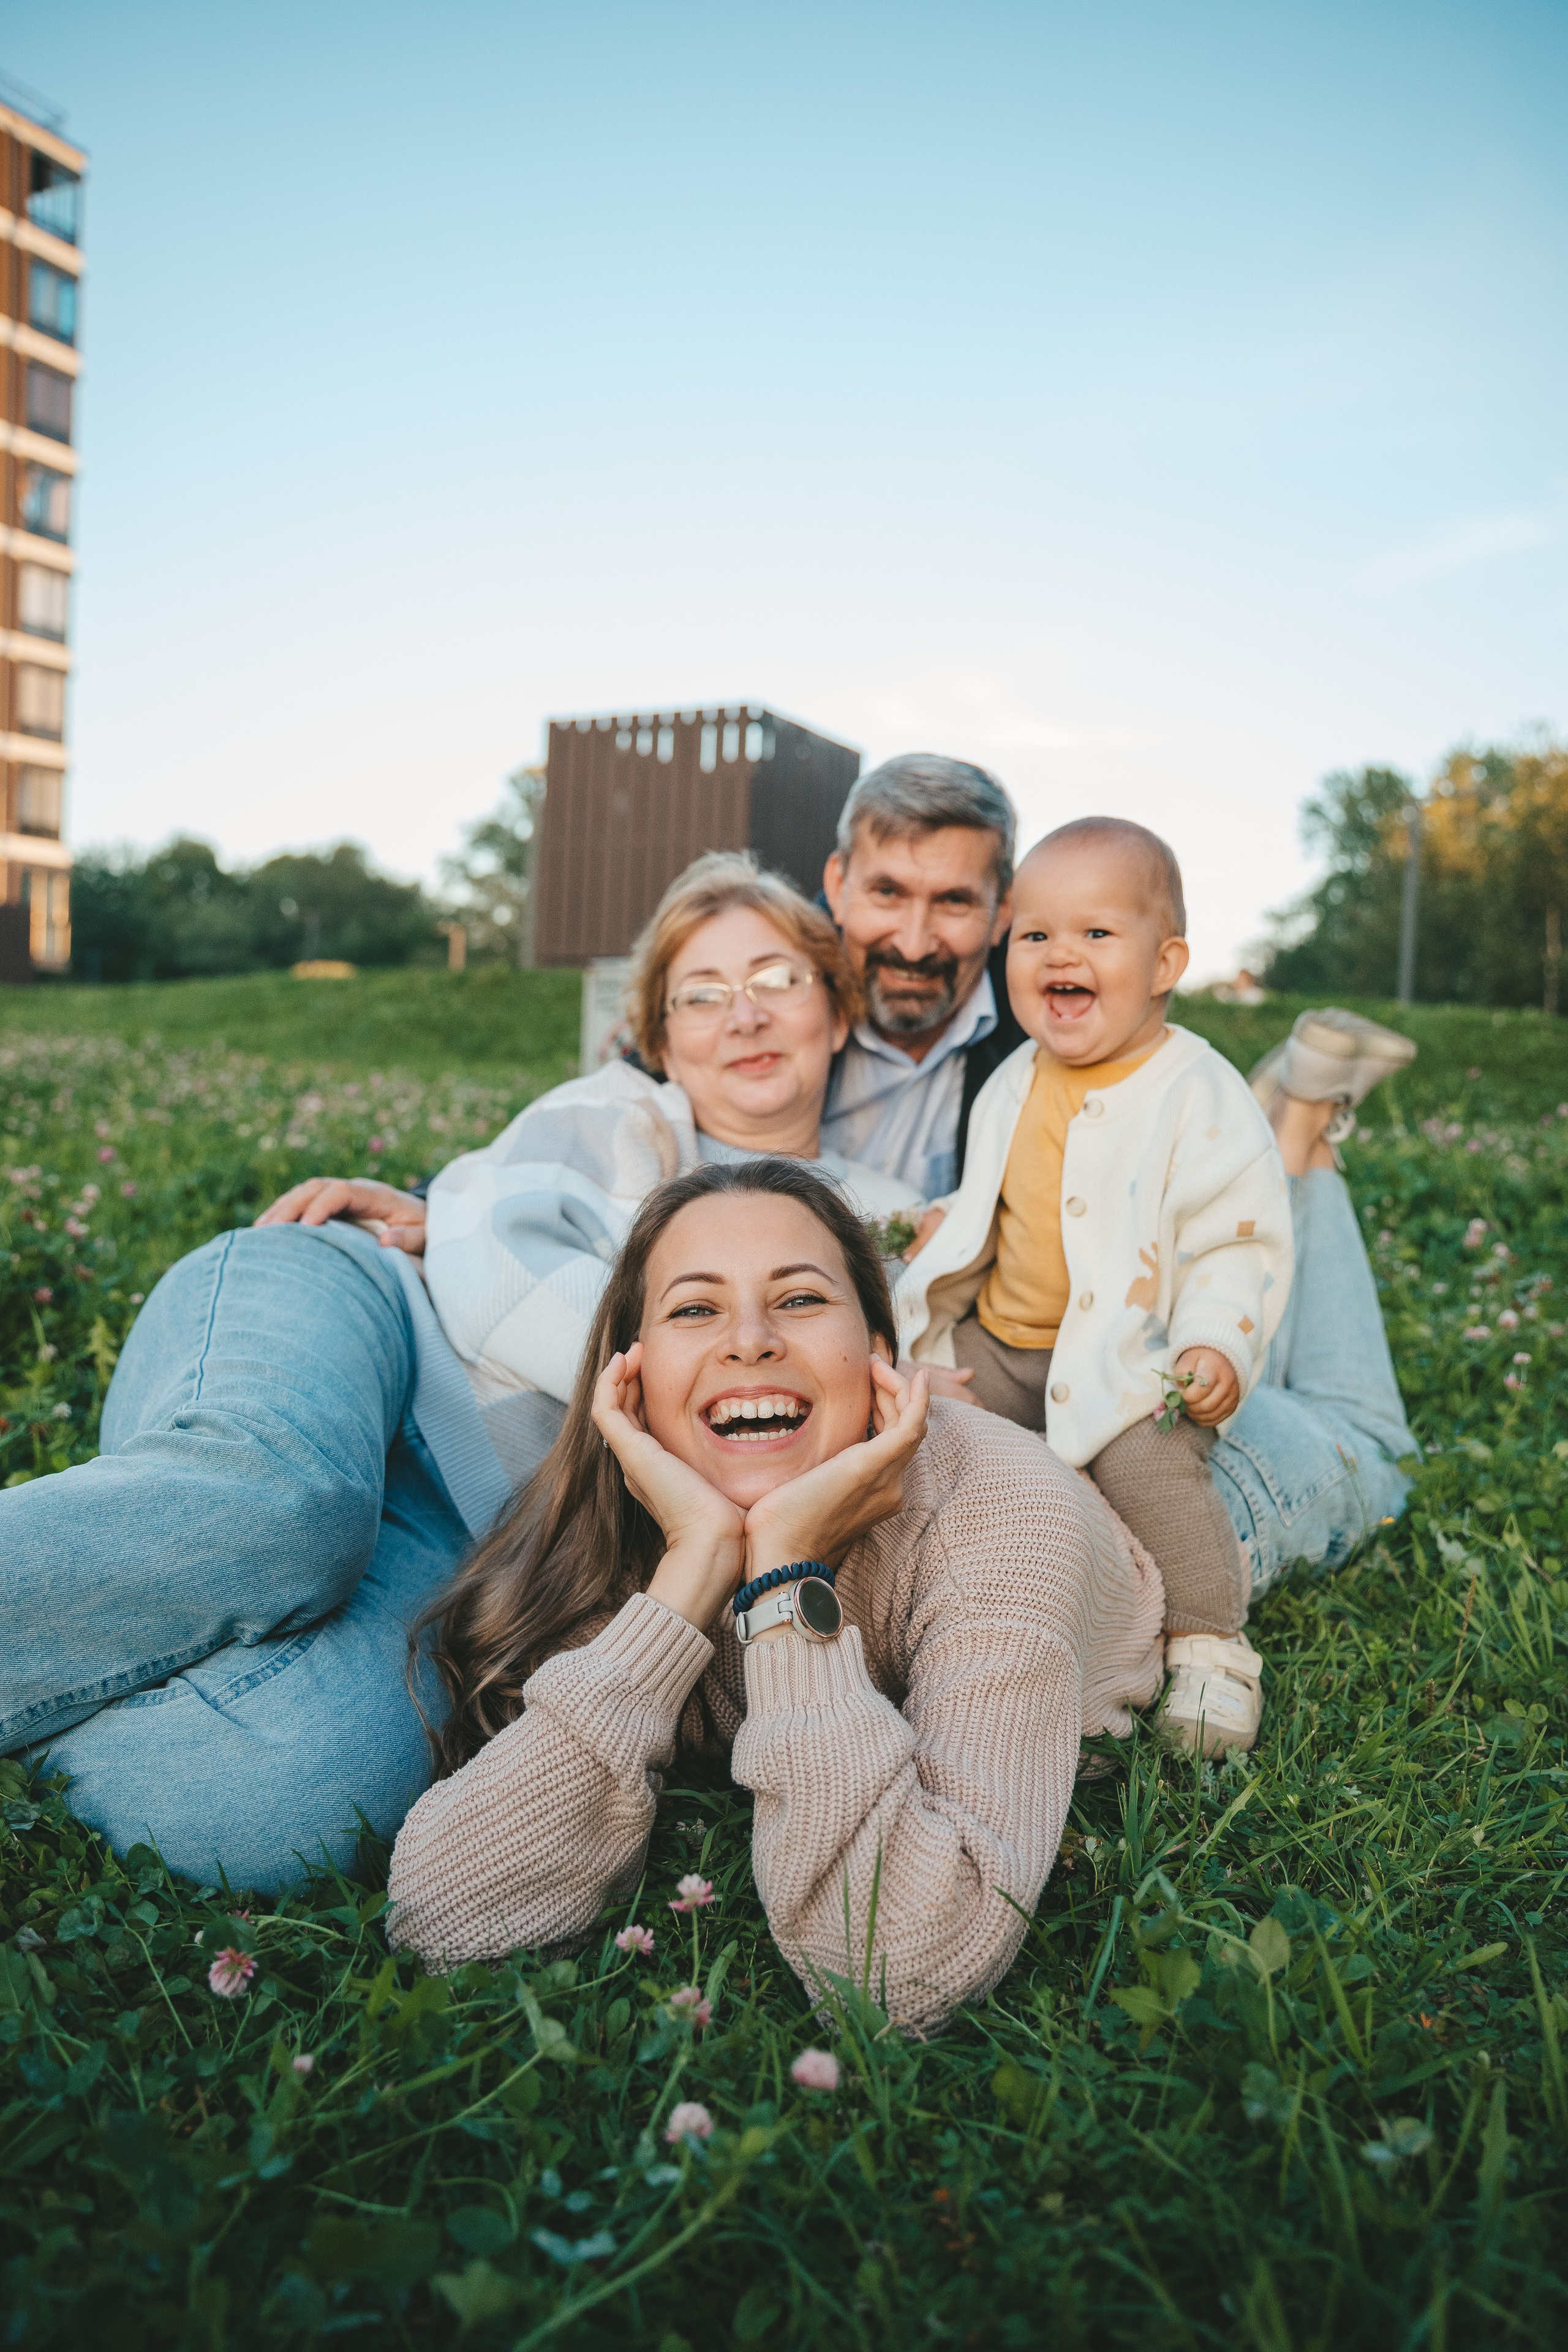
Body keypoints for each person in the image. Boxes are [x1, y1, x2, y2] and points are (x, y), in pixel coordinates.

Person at [0, 859, 914, 1890]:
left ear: (839, 1008)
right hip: (371, 1328)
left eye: (777, 980)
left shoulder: (899, 1217)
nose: (743, 1015)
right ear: (660, 1039)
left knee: (294, 1788)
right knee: (289, 1508)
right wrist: (711, 1398)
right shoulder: (613, 1118)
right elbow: (497, 1281)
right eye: (701, 994)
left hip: (482, 1540)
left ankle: (77, 1667)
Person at [385, 1158, 1165, 2035]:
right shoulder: (637, 1517)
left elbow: (905, 1974)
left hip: (1161, 1510)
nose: (749, 1340)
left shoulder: (1002, 1517)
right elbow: (444, 1915)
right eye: (695, 1309)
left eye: (799, 1299)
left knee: (1243, 1412)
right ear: (630, 1379)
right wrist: (695, 1569)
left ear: (879, 1354)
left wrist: (787, 1574)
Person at [897, 818, 1292, 1755]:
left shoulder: (1198, 1092)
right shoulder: (1014, 1079)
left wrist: (1215, 1339)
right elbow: (1013, 1195)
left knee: (1150, 1473)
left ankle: (1209, 1645)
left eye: (1097, 934)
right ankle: (926, 1608)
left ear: (1165, 965)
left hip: (1131, 1354)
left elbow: (1234, 1241)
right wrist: (952, 1218)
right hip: (1003, 1339)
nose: (1059, 954)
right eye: (1035, 935)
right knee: (931, 1434)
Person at [820, 754, 1027, 1197]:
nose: (914, 947)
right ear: (838, 888)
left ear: (1003, 910)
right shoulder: (760, 1003)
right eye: (888, 892)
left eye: (954, 901)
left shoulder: (1050, 1037)